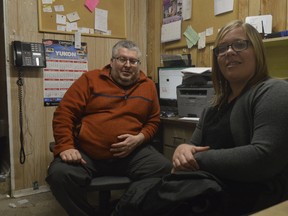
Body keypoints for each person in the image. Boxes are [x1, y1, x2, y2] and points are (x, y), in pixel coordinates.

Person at [171, 20, 288, 214]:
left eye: (239, 44)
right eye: (222, 48)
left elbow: (263, 158)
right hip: (204, 193)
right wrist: (182, 150)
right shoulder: (213, 105)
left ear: (257, 50)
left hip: (249, 201)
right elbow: (192, 147)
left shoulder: (275, 91)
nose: (229, 52)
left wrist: (198, 160)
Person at [46, 40, 172, 216]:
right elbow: (64, 114)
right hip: (88, 153)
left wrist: (140, 138)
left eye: (133, 61)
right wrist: (66, 146)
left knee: (165, 169)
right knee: (59, 175)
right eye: (122, 59)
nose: (127, 65)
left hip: (131, 155)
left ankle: (121, 209)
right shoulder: (90, 80)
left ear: (138, 64)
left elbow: (153, 121)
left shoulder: (148, 86)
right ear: (112, 61)